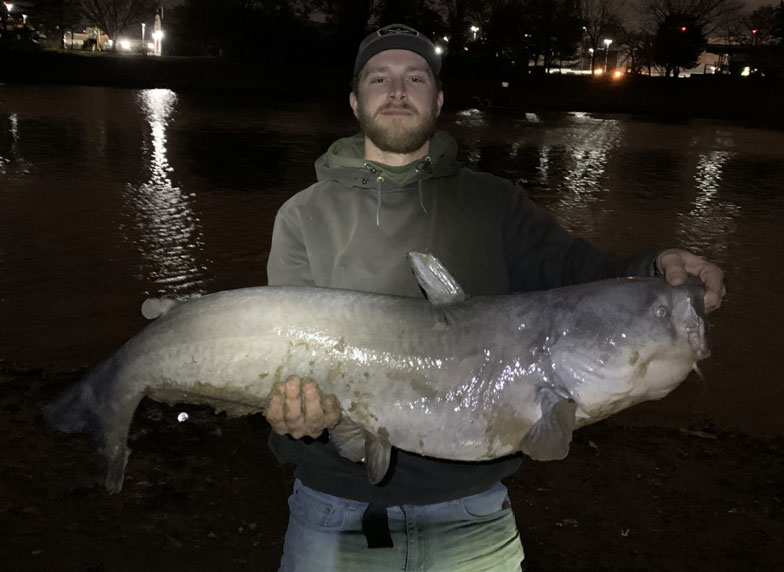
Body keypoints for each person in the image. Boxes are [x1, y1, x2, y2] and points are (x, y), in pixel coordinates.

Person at [264, 23, 725, 572]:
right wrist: (293, 410)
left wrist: (656, 268)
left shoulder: (494, 202)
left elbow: (580, 272)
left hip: (475, 518)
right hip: (335, 512)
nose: (396, 89)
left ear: (437, 99)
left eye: (414, 77)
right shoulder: (304, 214)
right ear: (354, 100)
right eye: (379, 78)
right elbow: (285, 352)